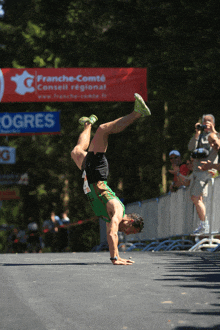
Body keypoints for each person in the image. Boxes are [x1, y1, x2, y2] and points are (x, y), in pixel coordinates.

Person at [71, 93, 150, 265]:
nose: (127, 234)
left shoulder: (109, 217)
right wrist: (115, 259)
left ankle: (87, 123)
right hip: (97, 174)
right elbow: (113, 233)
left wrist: (117, 256)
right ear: (129, 221)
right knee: (104, 129)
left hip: (89, 175)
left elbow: (110, 235)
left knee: (76, 152)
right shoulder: (118, 210)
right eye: (131, 231)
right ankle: (138, 113)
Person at [188, 114, 219, 234]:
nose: (206, 123)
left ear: (213, 123)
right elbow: (191, 148)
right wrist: (197, 133)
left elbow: (217, 145)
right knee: (198, 198)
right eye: (204, 121)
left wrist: (213, 131)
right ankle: (203, 224)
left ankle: (205, 224)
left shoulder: (216, 135)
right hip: (197, 170)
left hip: (206, 170)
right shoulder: (200, 136)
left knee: (195, 197)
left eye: (209, 121)